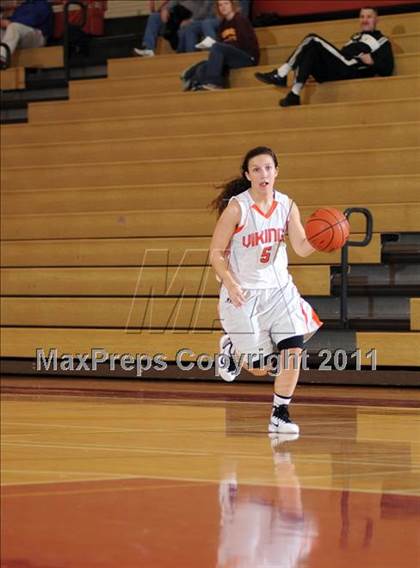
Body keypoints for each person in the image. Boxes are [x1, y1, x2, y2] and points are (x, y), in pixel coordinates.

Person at [209, 146, 323, 434]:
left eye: (268, 168)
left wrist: (324, 239)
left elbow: (300, 247)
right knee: (261, 366)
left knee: (293, 350)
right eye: (257, 169)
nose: (263, 174)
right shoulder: (238, 207)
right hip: (244, 292)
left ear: (276, 172)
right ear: (248, 175)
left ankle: (280, 413)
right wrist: (230, 283)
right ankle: (233, 348)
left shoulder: (287, 205)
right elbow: (215, 253)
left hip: (280, 290)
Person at [255, 6, 394, 107]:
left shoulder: (382, 41)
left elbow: (388, 69)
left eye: (369, 17)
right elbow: (340, 56)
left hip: (352, 69)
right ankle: (294, 94)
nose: (364, 20)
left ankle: (281, 73)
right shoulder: (354, 38)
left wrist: (372, 62)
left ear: (377, 19)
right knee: (310, 51)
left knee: (312, 38)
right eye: (362, 16)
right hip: (338, 69)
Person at [181, 0, 259, 91]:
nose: (223, 7)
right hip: (232, 56)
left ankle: (215, 84)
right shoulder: (223, 23)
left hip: (247, 57)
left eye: (226, 3)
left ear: (232, 5)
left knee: (217, 48)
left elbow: (244, 44)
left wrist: (222, 45)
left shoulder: (240, 19)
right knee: (204, 65)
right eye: (220, 5)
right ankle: (196, 83)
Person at [134, 0, 212, 57]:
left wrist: (191, 20)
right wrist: (166, 9)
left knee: (185, 29)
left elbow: (205, 10)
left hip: (194, 18)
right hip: (177, 15)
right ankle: (149, 49)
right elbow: (173, 2)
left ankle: (188, 56)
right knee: (154, 17)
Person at [0, 0, 53, 70]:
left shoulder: (43, 4)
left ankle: (2, 58)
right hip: (22, 34)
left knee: (13, 26)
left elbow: (33, 20)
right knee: (6, 28)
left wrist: (9, 23)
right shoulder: (22, 6)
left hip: (38, 36)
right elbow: (13, 21)